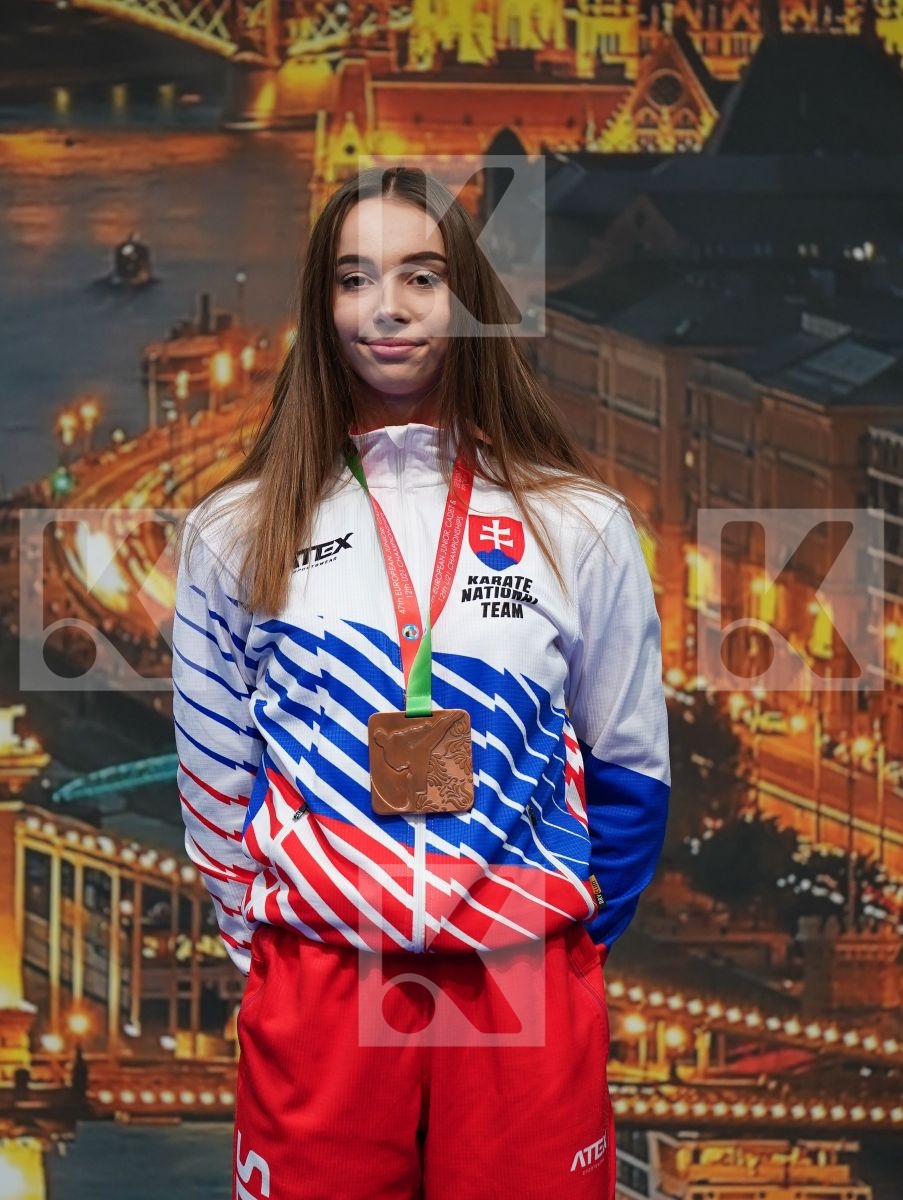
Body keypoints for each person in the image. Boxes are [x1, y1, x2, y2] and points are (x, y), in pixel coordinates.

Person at [171, 165, 671, 1200]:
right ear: (321, 308)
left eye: (422, 277)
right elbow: (217, 784)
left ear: (469, 302)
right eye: (354, 279)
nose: (386, 309)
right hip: (321, 988)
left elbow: (632, 775)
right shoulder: (233, 530)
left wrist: (556, 943)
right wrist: (270, 951)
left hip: (520, 986)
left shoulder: (580, 525)